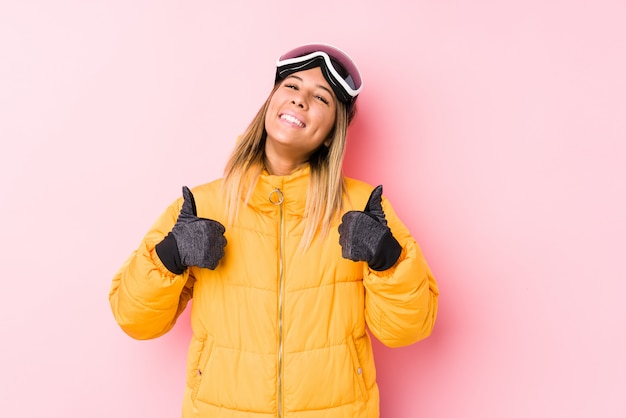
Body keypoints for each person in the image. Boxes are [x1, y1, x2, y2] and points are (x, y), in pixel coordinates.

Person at [109, 43, 439, 418]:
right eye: (292, 87)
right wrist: (170, 255)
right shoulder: (203, 207)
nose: (300, 101)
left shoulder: (363, 209)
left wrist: (387, 256)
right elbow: (134, 319)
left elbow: (407, 329)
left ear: (333, 133)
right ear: (271, 102)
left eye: (321, 98)